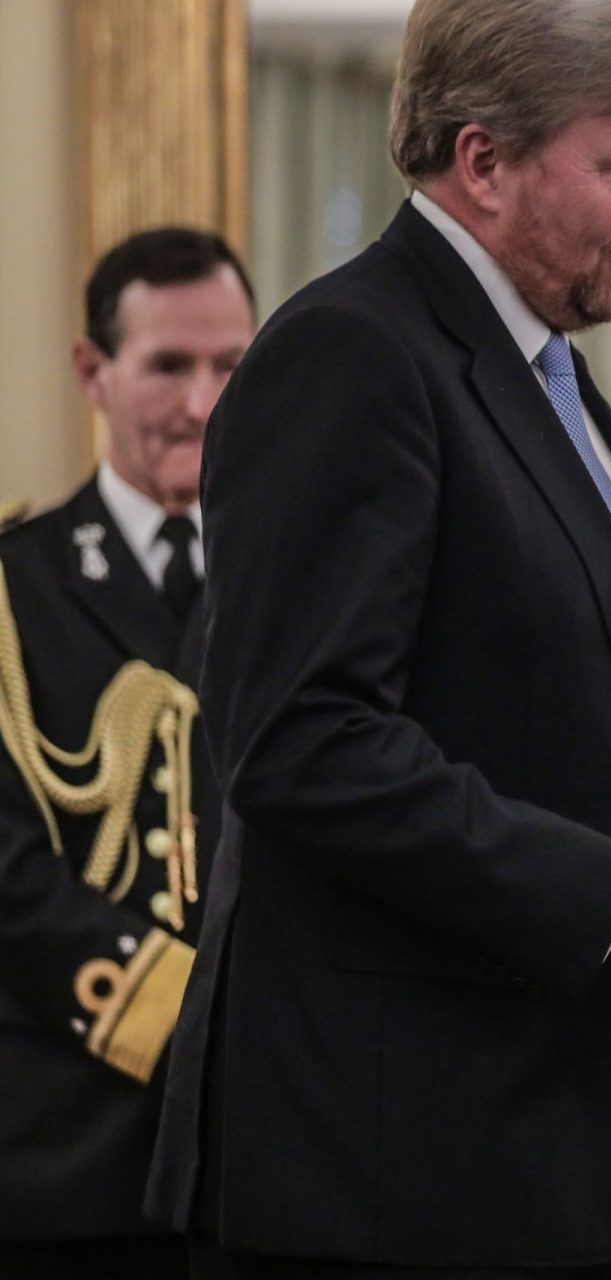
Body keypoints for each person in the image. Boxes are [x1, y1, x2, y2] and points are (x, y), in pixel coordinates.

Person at [145, 2, 611, 1275]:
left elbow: (523, 745)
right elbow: (304, 745)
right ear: (483, 161)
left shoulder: (532, 367)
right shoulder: (352, 353)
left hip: (537, 1154)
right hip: (389, 1178)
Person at [0, 228, 254, 1279]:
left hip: (268, 1156)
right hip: (71, 1154)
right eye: (167, 366)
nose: (202, 404)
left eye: (231, 365)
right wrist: (195, 1014)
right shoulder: (15, 590)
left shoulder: (308, 579)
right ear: (91, 370)